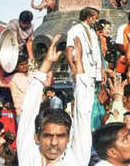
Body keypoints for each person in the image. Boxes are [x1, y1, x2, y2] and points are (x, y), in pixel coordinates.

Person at [17, 35, 94, 165]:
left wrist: (79, 66)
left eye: (61, 136)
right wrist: (46, 64)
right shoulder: (28, 157)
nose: (54, 143)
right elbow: (28, 113)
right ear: (37, 137)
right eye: (47, 136)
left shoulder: (74, 161)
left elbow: (83, 115)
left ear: (69, 138)